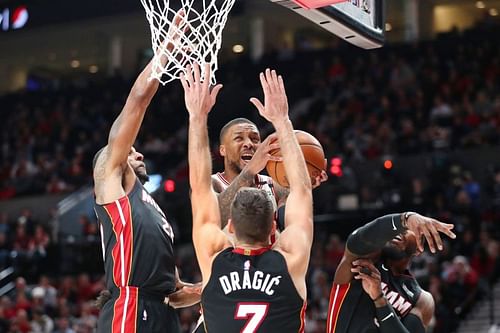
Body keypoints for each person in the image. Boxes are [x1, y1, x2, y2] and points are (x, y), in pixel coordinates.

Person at [182, 62, 314, 332]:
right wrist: (282, 120)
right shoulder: (291, 257)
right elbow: (303, 193)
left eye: (254, 138)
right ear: (273, 227)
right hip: (275, 279)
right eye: (239, 138)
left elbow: (199, 192)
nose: (249, 144)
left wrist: (197, 116)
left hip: (227, 290)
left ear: (230, 228)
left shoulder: (213, 251)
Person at [92, 12, 199, 333]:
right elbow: (137, 102)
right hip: (130, 306)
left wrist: (211, 288)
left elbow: (176, 290)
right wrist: (167, 49)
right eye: (129, 150)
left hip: (162, 311)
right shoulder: (111, 181)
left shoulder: (152, 210)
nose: (136, 151)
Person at [326, 212, 456, 333]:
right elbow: (359, 239)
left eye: (410, 229)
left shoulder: (421, 299)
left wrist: (379, 298)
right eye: (398, 229)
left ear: (418, 249)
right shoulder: (366, 257)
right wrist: (405, 219)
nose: (400, 232)